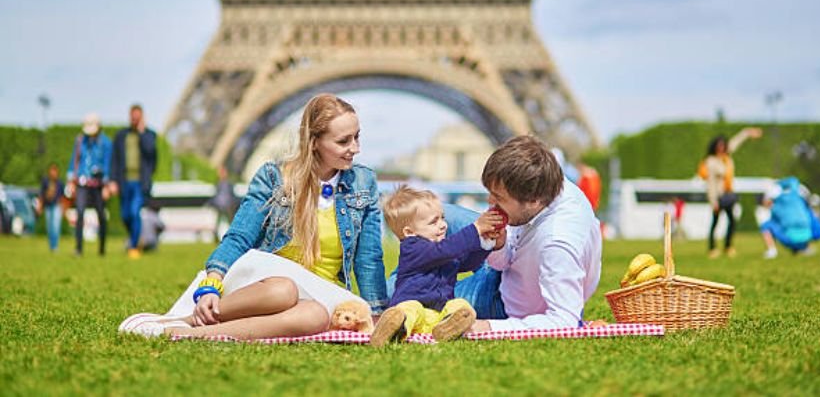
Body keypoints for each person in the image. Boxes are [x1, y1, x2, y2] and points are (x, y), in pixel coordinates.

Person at [123, 94, 387, 339]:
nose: (355, 148)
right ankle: (190, 318)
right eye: (343, 141)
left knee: (315, 315)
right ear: (314, 142)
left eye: (357, 137)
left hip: (324, 293)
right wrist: (211, 283)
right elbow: (240, 236)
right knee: (284, 289)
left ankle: (189, 333)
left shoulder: (363, 182)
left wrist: (376, 314)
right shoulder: (274, 177)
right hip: (267, 287)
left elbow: (369, 257)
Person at [446, 135, 603, 331]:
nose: (489, 202)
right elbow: (505, 260)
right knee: (429, 211)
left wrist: (488, 326)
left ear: (534, 200)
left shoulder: (557, 243)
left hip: (505, 304)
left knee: (408, 296)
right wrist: (499, 245)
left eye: (498, 198)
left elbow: (564, 321)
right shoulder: (544, 181)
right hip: (507, 274)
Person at [370, 185, 504, 346]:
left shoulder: (439, 248)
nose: (443, 225)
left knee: (459, 305)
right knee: (409, 309)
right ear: (409, 232)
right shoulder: (413, 248)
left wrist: (486, 244)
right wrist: (475, 230)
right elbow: (447, 250)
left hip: (438, 311)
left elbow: (466, 263)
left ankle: (448, 327)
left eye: (442, 218)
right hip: (416, 307)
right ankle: (394, 326)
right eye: (433, 222)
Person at [700, 127, 762, 258]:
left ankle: (728, 246)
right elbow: (710, 183)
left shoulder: (726, 158)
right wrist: (713, 201)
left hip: (729, 195)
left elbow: (735, 142)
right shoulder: (711, 161)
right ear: (715, 147)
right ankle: (712, 248)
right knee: (715, 223)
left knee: (732, 222)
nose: (722, 148)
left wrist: (747, 132)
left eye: (724, 145)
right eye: (719, 145)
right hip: (718, 196)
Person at [110, 104, 157, 259]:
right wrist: (113, 181)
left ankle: (134, 245)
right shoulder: (121, 136)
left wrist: (142, 132)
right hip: (124, 181)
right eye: (133, 117)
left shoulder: (149, 134)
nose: (135, 120)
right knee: (125, 215)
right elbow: (115, 160)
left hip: (139, 182)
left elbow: (151, 153)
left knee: (134, 211)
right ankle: (136, 238)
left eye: (138, 117)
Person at [66, 113, 112, 256]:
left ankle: (102, 249)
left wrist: (106, 185)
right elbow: (74, 160)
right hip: (82, 183)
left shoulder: (106, 143)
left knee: (101, 216)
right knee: (79, 214)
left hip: (98, 185)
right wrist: (71, 180)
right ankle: (78, 248)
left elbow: (108, 164)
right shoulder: (80, 141)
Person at [758, 177, 820, 259]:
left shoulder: (775, 207)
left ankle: (772, 251)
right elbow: (793, 180)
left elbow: (778, 225)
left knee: (766, 226)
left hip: (790, 240)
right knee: (807, 216)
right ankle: (805, 248)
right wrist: (780, 183)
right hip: (809, 236)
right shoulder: (797, 198)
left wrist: (776, 184)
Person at [38, 163, 65, 253]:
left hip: (57, 206)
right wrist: (40, 206)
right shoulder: (45, 182)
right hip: (48, 206)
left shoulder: (60, 183)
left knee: (56, 226)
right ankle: (51, 245)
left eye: (55, 171)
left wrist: (64, 208)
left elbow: (62, 197)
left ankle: (55, 246)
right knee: (49, 227)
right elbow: (41, 195)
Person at [209, 166, 238, 241]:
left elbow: (232, 195)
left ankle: (231, 236)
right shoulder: (218, 183)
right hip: (220, 205)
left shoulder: (228, 183)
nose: (221, 174)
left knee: (230, 222)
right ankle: (216, 236)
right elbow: (216, 195)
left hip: (228, 205)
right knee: (218, 223)